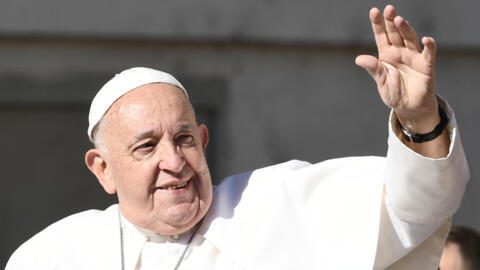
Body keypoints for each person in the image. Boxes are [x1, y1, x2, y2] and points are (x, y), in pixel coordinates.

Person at [6, 5, 470, 270]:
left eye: (184, 138)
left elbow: (416, 207)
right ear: (102, 169)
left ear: (204, 141)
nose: (173, 160)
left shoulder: (277, 202)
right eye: (147, 146)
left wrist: (419, 117)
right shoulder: (52, 256)